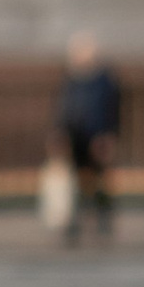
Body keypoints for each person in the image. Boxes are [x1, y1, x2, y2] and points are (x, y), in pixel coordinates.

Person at [56, 28, 121, 244]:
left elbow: (112, 110)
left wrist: (109, 135)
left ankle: (103, 219)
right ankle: (77, 220)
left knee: (100, 179)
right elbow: (64, 109)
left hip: (98, 136)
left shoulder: (104, 79)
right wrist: (60, 133)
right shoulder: (71, 79)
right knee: (78, 180)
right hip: (77, 136)